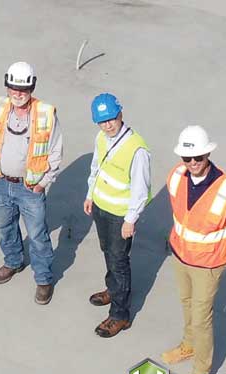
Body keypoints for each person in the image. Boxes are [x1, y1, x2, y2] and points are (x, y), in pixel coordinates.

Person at [159, 126, 226, 374]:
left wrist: (221, 245)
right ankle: (188, 345)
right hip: (181, 255)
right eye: (188, 158)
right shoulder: (175, 177)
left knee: (201, 317)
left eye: (198, 157)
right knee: (186, 302)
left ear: (208, 153)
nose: (193, 163)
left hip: (208, 264)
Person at [0, 62, 62, 304]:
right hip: (0, 183)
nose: (18, 94)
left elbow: (55, 150)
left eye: (23, 90)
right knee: (6, 228)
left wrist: (44, 181)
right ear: (7, 86)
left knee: (37, 235)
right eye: (14, 88)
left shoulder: (45, 113)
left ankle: (44, 278)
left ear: (31, 88)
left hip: (30, 188)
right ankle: (13, 262)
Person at [83, 93, 152, 338]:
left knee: (119, 262)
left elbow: (141, 190)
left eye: (111, 119)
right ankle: (113, 289)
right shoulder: (101, 138)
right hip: (101, 208)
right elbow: (96, 167)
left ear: (120, 114)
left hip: (120, 216)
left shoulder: (137, 149)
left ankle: (120, 315)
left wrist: (130, 220)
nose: (108, 125)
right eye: (102, 121)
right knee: (109, 253)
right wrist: (90, 194)